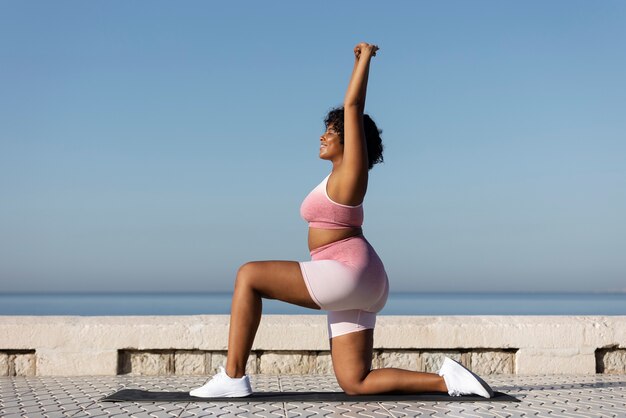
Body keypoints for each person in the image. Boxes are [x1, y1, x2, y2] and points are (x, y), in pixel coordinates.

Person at [190, 42, 494, 399]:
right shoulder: (336, 177)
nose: (323, 135)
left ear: (352, 140)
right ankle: (448, 381)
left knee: (249, 276)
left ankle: (233, 376)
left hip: (348, 271)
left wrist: (363, 60)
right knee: (355, 382)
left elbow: (353, 106)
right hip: (362, 278)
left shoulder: (352, 175)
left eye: (333, 130)